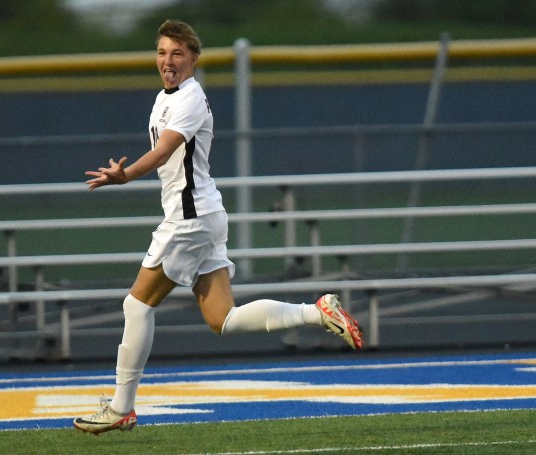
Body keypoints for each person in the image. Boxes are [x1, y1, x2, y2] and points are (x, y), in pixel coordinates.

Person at [73, 19, 363, 435]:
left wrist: (127, 174)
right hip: (202, 215)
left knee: (136, 306)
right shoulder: (165, 98)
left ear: (193, 59)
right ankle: (316, 313)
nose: (167, 61)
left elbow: (164, 150)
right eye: (161, 53)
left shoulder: (189, 99)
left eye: (176, 53)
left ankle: (121, 407)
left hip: (189, 219)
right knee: (222, 319)